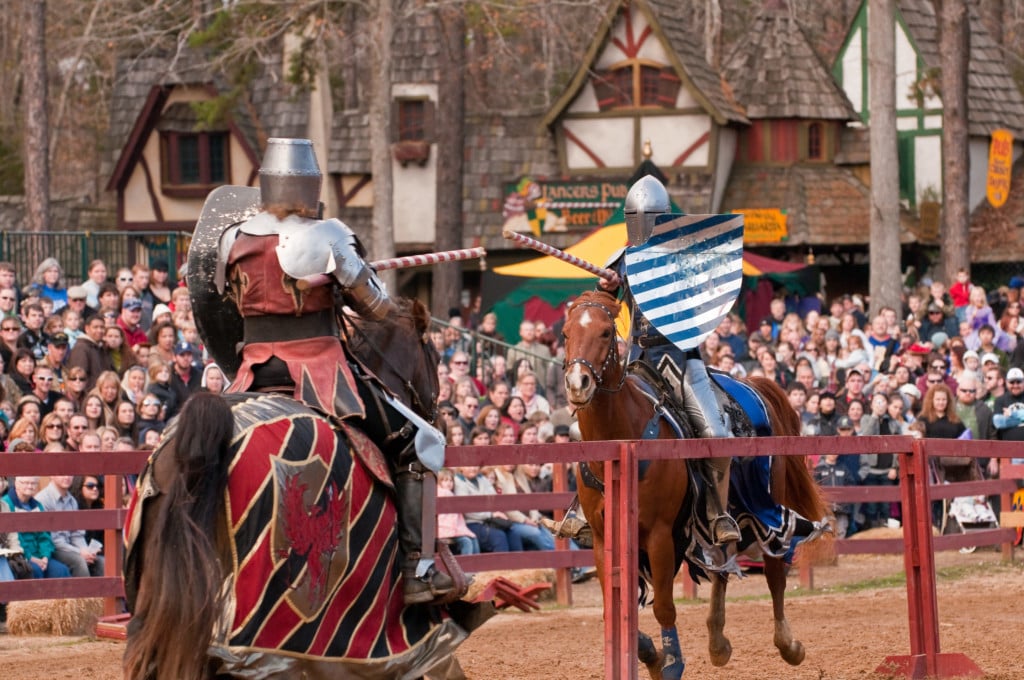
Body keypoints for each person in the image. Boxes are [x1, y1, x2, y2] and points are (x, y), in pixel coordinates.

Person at [206, 138, 452, 604]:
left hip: (251, 371)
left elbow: (221, 305)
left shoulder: (230, 238)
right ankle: (417, 569)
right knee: (423, 443)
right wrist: (349, 277)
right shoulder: (326, 234)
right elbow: (378, 310)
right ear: (310, 183)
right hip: (317, 369)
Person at [590, 175, 739, 545]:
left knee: (715, 433)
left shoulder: (686, 256)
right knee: (596, 424)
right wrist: (606, 287)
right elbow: (603, 310)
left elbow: (706, 298)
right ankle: (584, 504)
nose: (642, 225)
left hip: (682, 358)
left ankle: (716, 512)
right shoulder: (621, 259)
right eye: (635, 218)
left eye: (648, 217)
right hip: (638, 362)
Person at [35, 475, 104, 577]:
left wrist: (85, 550)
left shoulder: (72, 501)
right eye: (61, 474)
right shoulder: (43, 500)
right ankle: (85, 593)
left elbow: (76, 534)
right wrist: (79, 552)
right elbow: (52, 539)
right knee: (79, 561)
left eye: (69, 474)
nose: (67, 477)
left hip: (69, 548)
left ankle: (109, 592)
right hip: (52, 549)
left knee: (101, 562)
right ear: (51, 476)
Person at [2, 477, 71, 578]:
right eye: (25, 483)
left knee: (61, 570)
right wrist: (31, 558)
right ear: (16, 483)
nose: (29, 486)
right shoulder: (7, 504)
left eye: (33, 483)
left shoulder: (38, 505)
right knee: (35, 570)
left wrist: (45, 557)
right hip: (21, 556)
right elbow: (15, 537)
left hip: (40, 555)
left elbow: (45, 536)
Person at [436, 468, 479, 555]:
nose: (449, 483)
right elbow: (447, 519)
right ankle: (468, 566)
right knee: (467, 541)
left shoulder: (450, 494)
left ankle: (473, 566)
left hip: (453, 529)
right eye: (445, 480)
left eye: (451, 480)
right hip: (444, 529)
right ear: (438, 482)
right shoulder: (443, 493)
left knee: (472, 539)